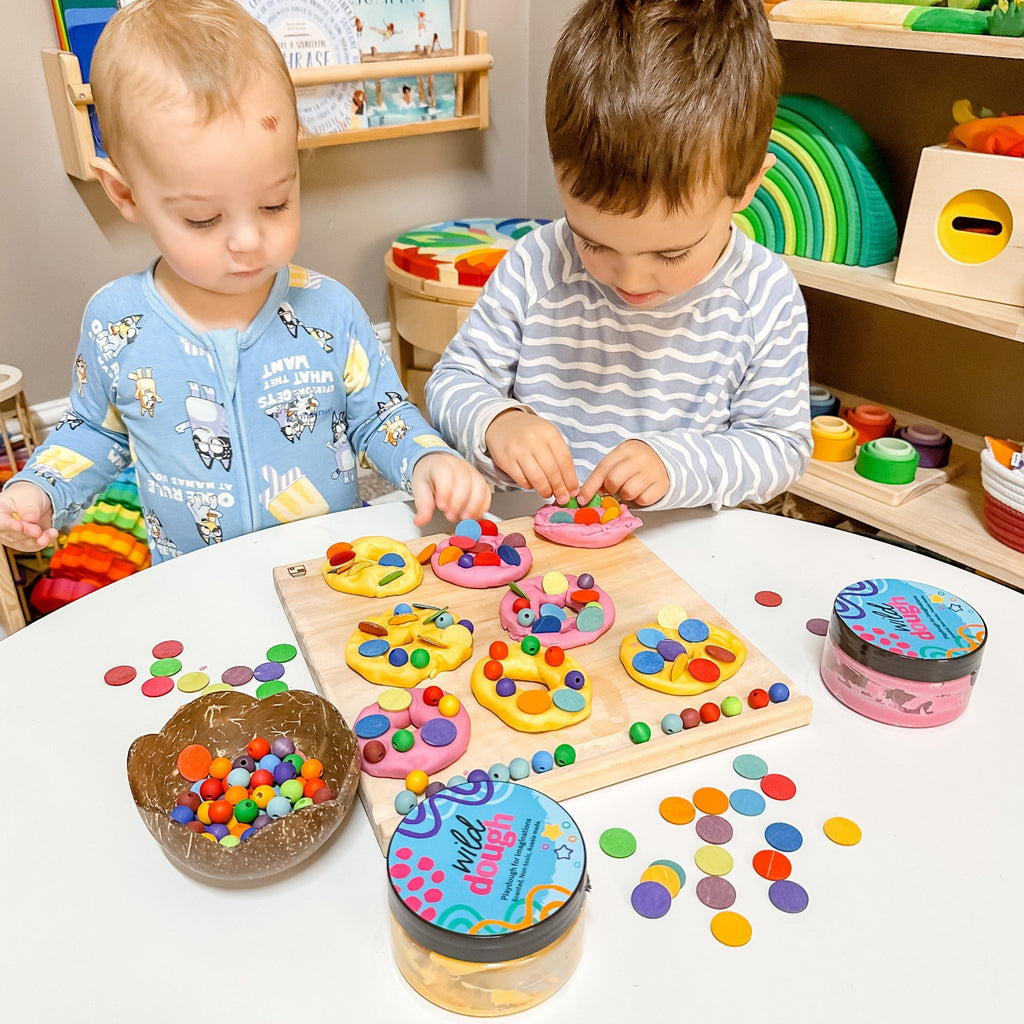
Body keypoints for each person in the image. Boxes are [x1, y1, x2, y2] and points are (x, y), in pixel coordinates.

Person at [0, 0, 489, 562]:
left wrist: (429, 459)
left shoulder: (329, 310)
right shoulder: (117, 324)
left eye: (275, 203)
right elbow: (93, 429)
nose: (248, 241)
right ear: (126, 194)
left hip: (329, 569)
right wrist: (37, 489)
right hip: (194, 584)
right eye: (203, 219)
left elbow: (382, 414)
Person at [426, 0, 811, 512]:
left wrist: (678, 464)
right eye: (594, 242)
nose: (629, 278)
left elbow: (779, 447)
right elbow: (453, 381)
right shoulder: (535, 265)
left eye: (671, 253)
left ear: (746, 189)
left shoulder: (765, 295)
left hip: (678, 554)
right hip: (532, 548)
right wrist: (498, 420)